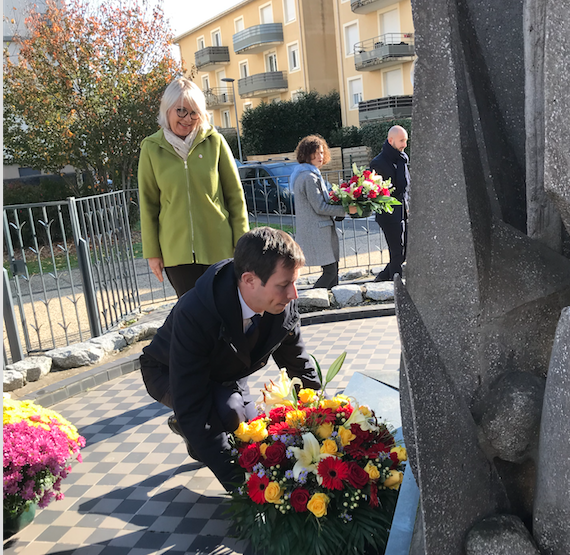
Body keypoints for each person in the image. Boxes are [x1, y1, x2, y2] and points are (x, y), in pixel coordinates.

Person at [139, 227, 321, 490]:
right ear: (249, 280)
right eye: (283, 285)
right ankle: (188, 428)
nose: (294, 294)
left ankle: (196, 427)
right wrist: (242, 486)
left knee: (252, 434)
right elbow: (193, 402)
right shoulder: (196, 313)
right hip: (168, 371)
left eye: (294, 282)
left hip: (225, 371)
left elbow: (299, 367)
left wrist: (323, 425)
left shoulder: (282, 303)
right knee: (227, 413)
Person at [138, 77, 249, 298]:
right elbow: (148, 204)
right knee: (192, 316)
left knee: (224, 311)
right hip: (176, 253)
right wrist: (152, 253)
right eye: (181, 111)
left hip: (219, 247)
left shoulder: (214, 141)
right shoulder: (151, 148)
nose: (188, 119)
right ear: (167, 109)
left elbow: (235, 197)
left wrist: (242, 243)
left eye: (194, 112)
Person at [290, 134, 357, 289]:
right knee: (330, 273)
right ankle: (313, 299)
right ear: (306, 154)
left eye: (321, 152)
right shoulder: (309, 177)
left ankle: (328, 301)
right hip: (318, 231)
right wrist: (347, 209)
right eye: (316, 152)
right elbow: (320, 207)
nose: (320, 156)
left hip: (319, 230)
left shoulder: (307, 174)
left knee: (333, 273)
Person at [370, 125, 410, 282]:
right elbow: (393, 189)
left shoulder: (401, 159)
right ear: (390, 140)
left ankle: (382, 277)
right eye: (401, 141)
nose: (404, 145)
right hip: (389, 214)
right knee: (397, 251)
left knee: (404, 251)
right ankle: (396, 284)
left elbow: (408, 186)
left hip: (403, 211)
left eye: (405, 141)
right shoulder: (379, 163)